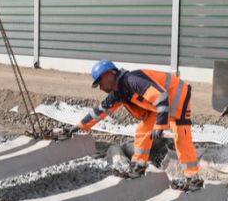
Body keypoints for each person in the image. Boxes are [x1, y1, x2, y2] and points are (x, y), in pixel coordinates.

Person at [73, 60, 202, 185]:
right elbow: (100, 111)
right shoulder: (119, 91)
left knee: (181, 136)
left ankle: (193, 178)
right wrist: (78, 127)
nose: (100, 88)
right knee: (142, 130)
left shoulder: (132, 81)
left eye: (99, 83)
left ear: (108, 75)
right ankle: (139, 166)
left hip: (177, 95)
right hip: (159, 104)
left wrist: (160, 124)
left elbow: (161, 96)